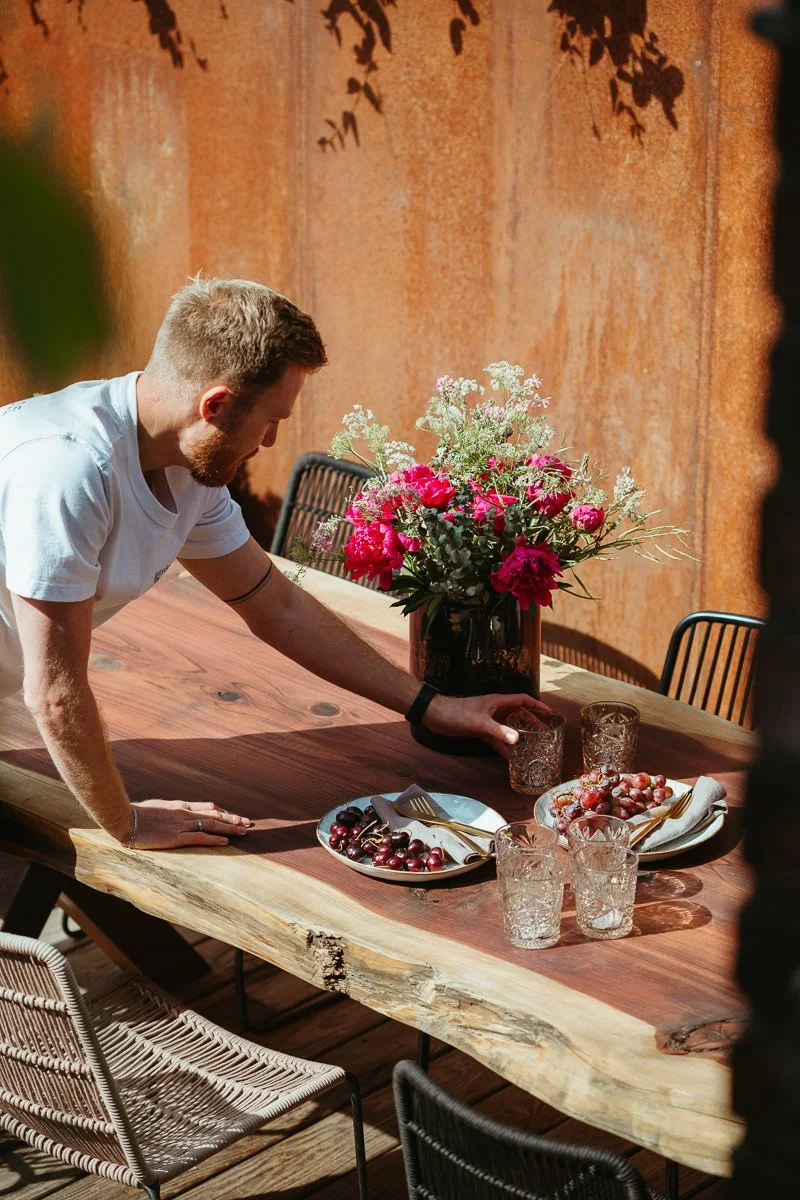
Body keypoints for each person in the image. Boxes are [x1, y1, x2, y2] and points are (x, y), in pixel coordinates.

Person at [0, 277, 550, 851]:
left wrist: (433, 706)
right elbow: (56, 695)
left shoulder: (188, 465)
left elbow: (276, 604)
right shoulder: (67, 470)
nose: (269, 441)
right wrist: (126, 823)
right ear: (214, 405)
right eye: (271, 420)